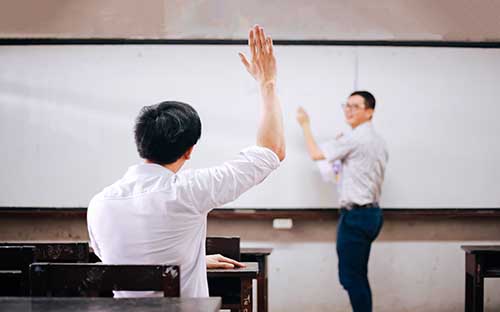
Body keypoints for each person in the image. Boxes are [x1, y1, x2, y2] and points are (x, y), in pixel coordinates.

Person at [87, 25, 284, 298]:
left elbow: (121, 263)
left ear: (140, 142)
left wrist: (191, 261)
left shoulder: (100, 203)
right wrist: (267, 83)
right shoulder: (189, 190)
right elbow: (272, 150)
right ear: (189, 150)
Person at [296, 91, 388, 312]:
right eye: (346, 105)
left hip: (356, 216)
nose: (349, 110)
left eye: (355, 106)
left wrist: (305, 124)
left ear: (370, 111)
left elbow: (317, 154)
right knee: (358, 276)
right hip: (371, 214)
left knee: (352, 278)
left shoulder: (356, 138)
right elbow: (349, 172)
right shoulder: (377, 140)